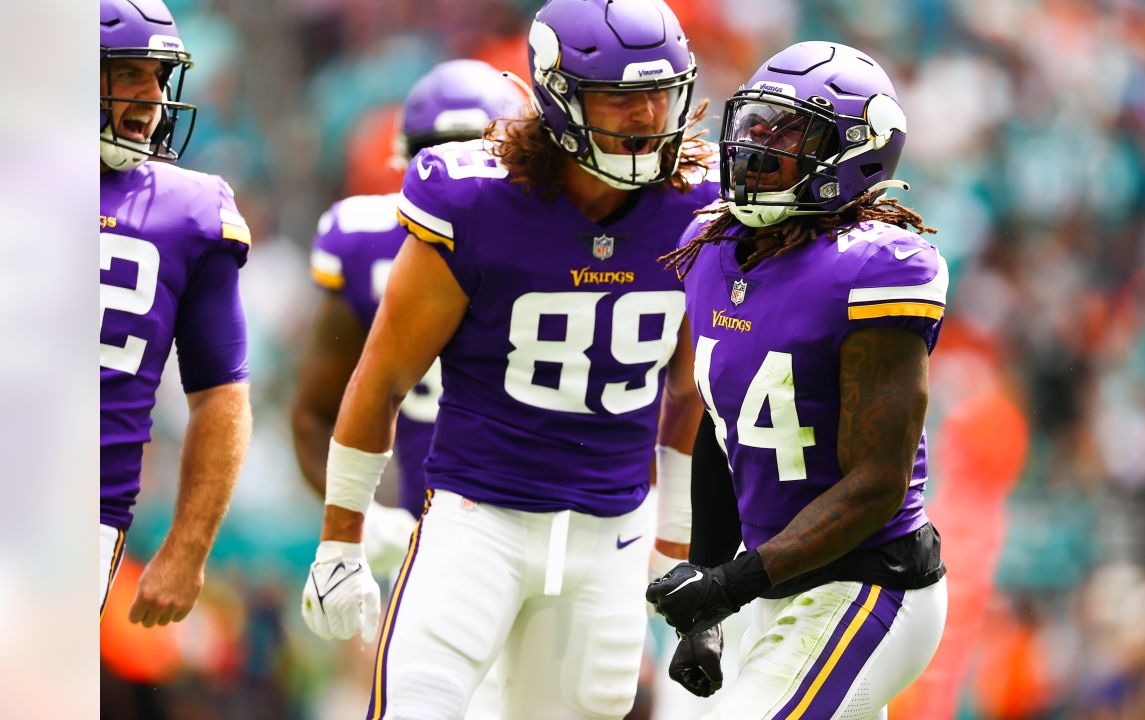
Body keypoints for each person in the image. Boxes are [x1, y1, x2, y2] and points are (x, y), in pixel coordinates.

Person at [297, 0, 718, 717]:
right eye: (619, 96)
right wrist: (340, 542)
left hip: (611, 533)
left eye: (658, 92)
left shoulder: (700, 203)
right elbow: (383, 377)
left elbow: (689, 395)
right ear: (558, 96)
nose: (648, 116)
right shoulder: (476, 198)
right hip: (476, 520)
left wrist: (675, 543)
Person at [646, 41, 949, 719]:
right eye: (757, 123)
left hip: (870, 584)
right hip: (776, 584)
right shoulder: (713, 247)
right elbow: (726, 431)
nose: (757, 146)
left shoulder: (877, 270)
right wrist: (707, 602)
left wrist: (730, 585)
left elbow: (876, 485)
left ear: (855, 154)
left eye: (788, 133)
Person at [292, 59, 527, 577]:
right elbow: (314, 414)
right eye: (443, 156)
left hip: (541, 515)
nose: (466, 176)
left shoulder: (561, 241)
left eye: (483, 151)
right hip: (416, 525)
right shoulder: (360, 239)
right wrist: (365, 519)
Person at [99, 0, 252, 627]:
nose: (153, 96)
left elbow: (221, 394)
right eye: (131, 72)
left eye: (160, 77)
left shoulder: (189, 211)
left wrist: (187, 549)